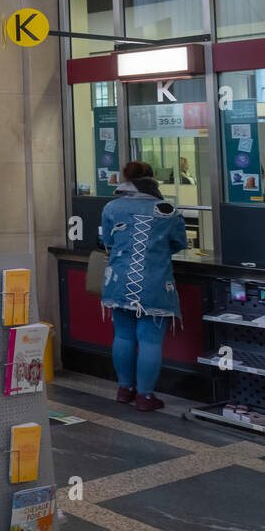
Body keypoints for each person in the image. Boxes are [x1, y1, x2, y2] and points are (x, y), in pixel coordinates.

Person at [101, 160, 187, 412]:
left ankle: (124, 389)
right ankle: (145, 396)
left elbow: (108, 241)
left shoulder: (111, 207)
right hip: (155, 283)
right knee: (150, 341)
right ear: (152, 178)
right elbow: (179, 243)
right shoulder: (168, 209)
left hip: (117, 281)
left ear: (126, 178)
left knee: (123, 336)